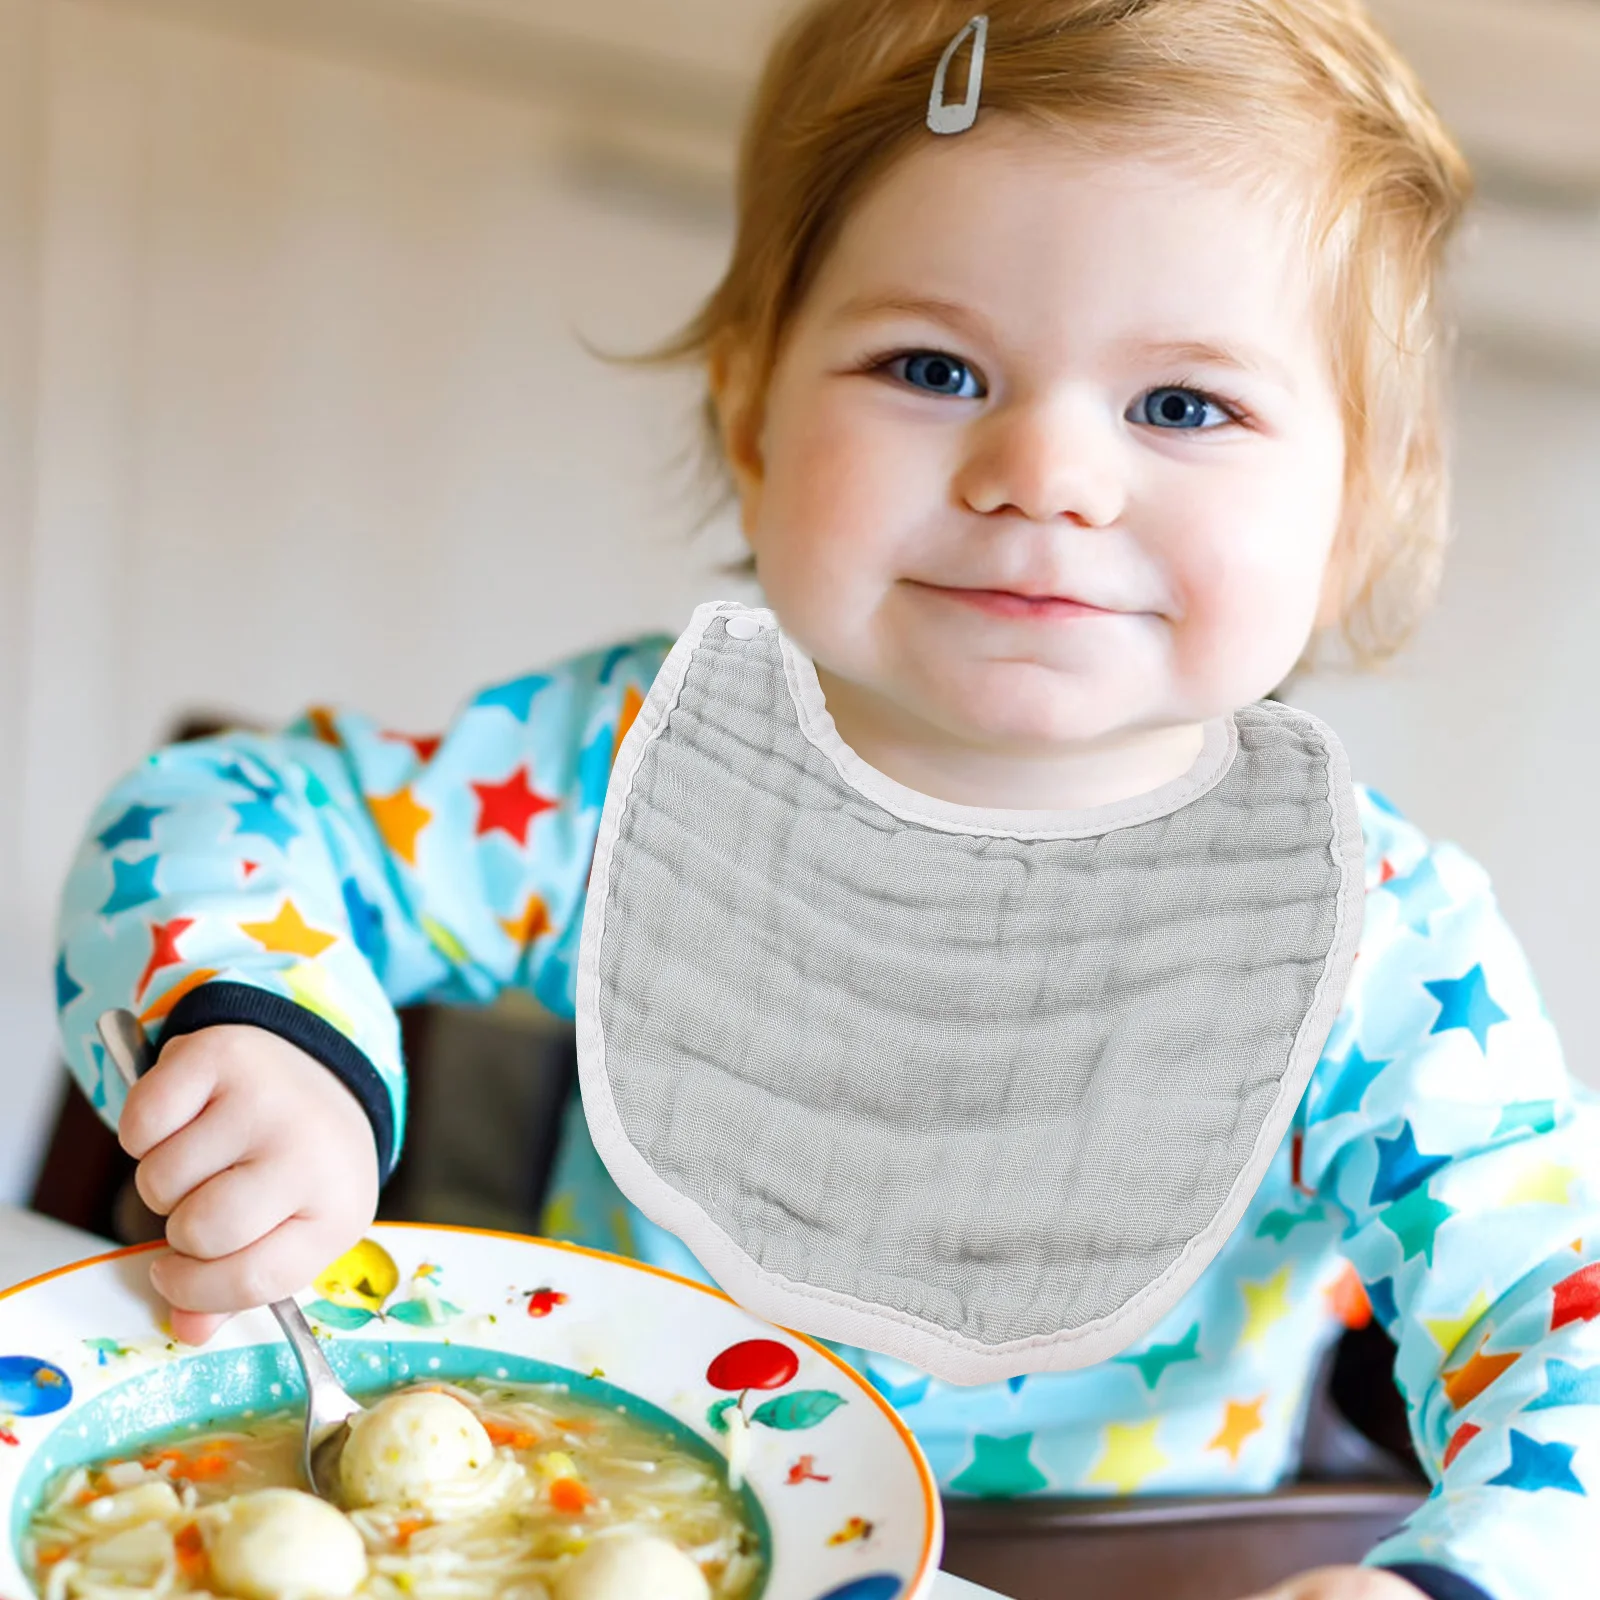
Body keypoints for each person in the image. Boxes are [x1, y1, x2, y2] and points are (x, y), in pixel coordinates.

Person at [53, 3, 1600, 1596]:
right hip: (590, 1541)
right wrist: (268, 1034)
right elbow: (220, 810)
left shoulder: (1377, 952)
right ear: (751, 417)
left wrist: (1452, 1582)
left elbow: (1568, 1324)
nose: (1045, 471)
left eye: (1184, 407)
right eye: (934, 368)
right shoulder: (627, 773)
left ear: (1357, 512)